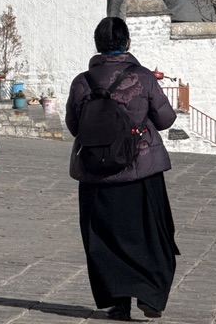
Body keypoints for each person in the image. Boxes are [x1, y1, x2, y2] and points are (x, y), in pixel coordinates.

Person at [65, 16, 178, 321]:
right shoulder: (142, 78)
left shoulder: (82, 82)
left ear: (98, 45)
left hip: (95, 174)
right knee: (150, 235)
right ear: (127, 43)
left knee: (104, 238)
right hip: (140, 171)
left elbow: (74, 126)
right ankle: (150, 295)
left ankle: (118, 303)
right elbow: (166, 120)